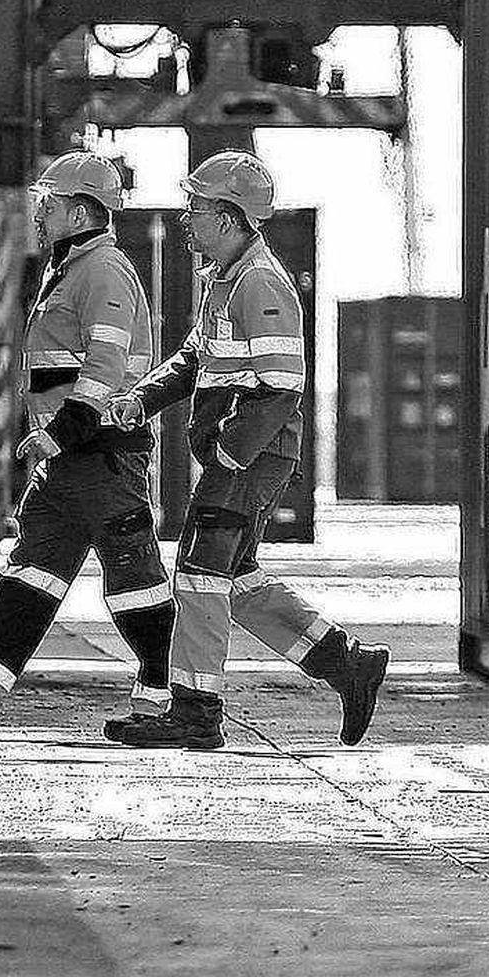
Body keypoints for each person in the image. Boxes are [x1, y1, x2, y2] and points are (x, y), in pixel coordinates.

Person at [103, 152, 389, 752]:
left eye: (197, 208)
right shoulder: (224, 278)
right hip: (244, 458)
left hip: (250, 458)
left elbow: (282, 384)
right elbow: (195, 358)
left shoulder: (259, 282)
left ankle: (195, 712)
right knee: (234, 578)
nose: (186, 219)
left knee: (199, 577)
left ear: (230, 218)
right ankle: (346, 663)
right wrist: (142, 399)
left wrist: (231, 453)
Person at [0, 152, 176, 736]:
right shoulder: (70, 269)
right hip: (69, 460)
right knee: (31, 572)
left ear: (79, 212)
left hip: (99, 453)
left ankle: (168, 703)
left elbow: (104, 367)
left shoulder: (103, 270)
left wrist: (62, 432)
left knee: (135, 581)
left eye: (49, 204)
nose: (39, 213)